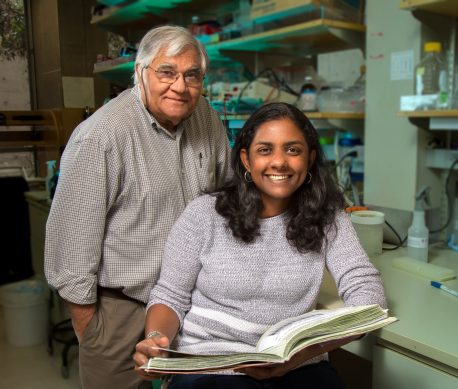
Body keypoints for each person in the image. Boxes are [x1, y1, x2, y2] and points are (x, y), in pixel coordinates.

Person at [133, 102, 387, 388]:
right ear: (246, 159)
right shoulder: (204, 214)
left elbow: (366, 289)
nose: (279, 162)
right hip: (213, 364)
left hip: (297, 363)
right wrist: (155, 341)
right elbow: (170, 295)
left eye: (293, 149)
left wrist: (305, 352)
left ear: (310, 158)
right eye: (265, 150)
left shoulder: (330, 218)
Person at [44, 25, 231, 389]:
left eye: (192, 75)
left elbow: (229, 199)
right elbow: (70, 253)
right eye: (167, 72)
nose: (180, 85)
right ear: (141, 72)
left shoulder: (205, 116)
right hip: (123, 309)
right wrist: (94, 334)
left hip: (197, 303)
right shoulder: (102, 137)